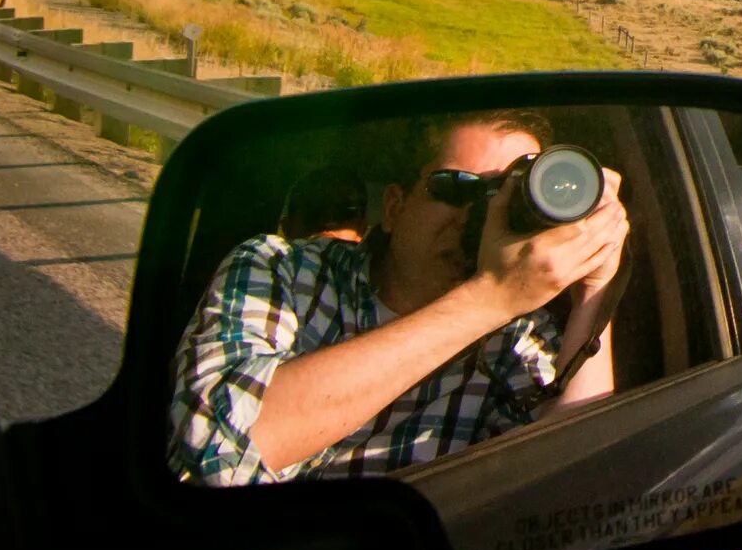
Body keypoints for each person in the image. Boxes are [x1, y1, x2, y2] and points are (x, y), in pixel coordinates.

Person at [169, 110, 629, 486]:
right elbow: (214, 449)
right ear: (393, 207)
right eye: (458, 189)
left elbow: (575, 486)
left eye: (504, 201)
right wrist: (490, 297)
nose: (481, 217)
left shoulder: (517, 341)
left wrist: (594, 291)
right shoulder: (282, 269)